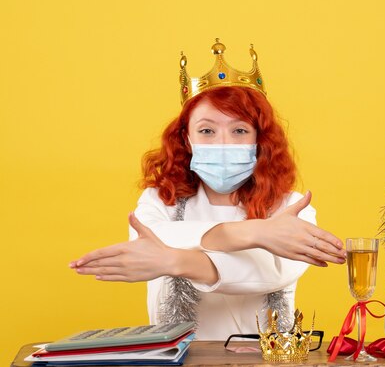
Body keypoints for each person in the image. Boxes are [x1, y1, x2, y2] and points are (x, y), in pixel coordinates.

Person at [70, 39, 346, 340]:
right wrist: (257, 233)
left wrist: (173, 260)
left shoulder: (291, 206)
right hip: (177, 358)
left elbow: (268, 273)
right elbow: (151, 240)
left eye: (239, 130)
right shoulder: (161, 201)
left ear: (260, 140)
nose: (222, 143)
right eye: (206, 131)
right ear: (187, 140)